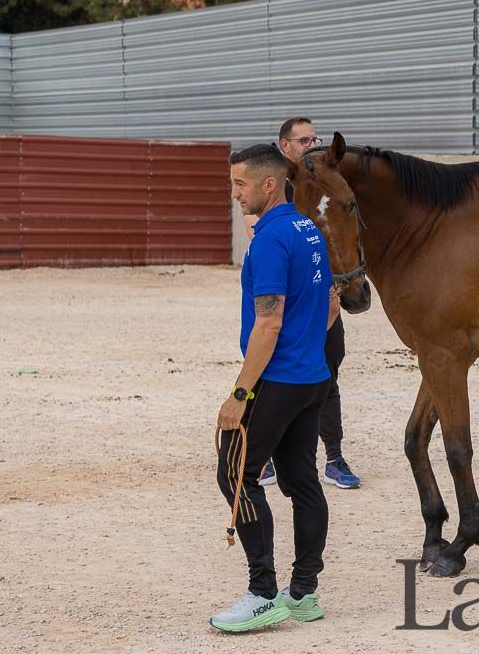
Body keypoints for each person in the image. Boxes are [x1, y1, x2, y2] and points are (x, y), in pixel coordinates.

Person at [209, 144, 331, 633]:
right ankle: (303, 593)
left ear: (267, 184)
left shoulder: (271, 240)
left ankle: (263, 594)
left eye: (240, 185)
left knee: (235, 475)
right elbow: (330, 307)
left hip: (277, 381)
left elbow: (269, 323)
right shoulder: (309, 229)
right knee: (301, 480)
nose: (233, 193)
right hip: (312, 378)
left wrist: (239, 395)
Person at [251, 117, 361, 490]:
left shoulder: (322, 182)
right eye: (304, 139)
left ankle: (333, 456)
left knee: (327, 371)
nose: (311, 143)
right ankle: (264, 455)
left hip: (320, 293)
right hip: (284, 295)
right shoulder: (274, 187)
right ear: (285, 147)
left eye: (315, 137)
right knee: (269, 370)